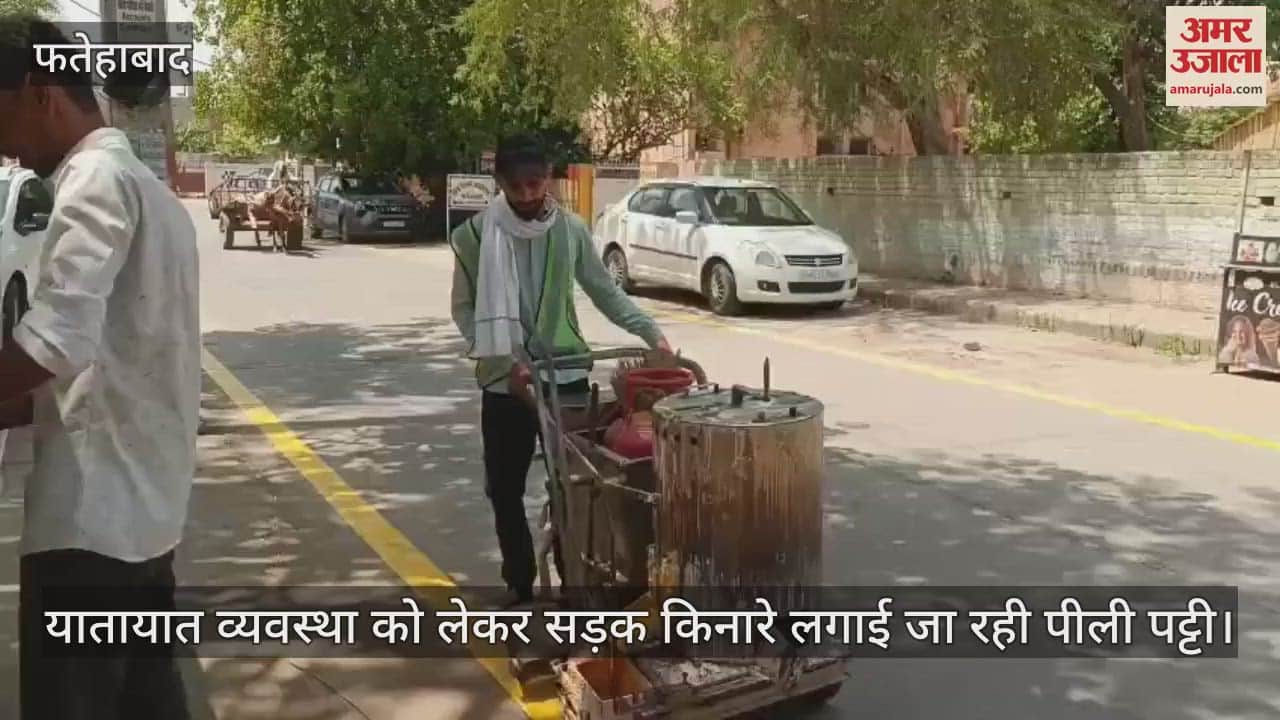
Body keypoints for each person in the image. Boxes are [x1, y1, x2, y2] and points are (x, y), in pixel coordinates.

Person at [0, 15, 200, 720]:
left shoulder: (92, 180)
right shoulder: (148, 191)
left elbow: (56, 340)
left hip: (87, 531)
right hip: (146, 521)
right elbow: (114, 362)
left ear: (38, 91)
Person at [450, 134, 671, 607]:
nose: (528, 196)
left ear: (549, 179)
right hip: (504, 385)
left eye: (536, 184)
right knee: (504, 489)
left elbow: (605, 292)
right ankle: (520, 584)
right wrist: (503, 362)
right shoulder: (472, 238)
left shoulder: (569, 231)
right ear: (500, 184)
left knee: (575, 486)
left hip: (565, 379)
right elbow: (465, 311)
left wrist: (652, 333)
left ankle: (579, 584)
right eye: (517, 187)